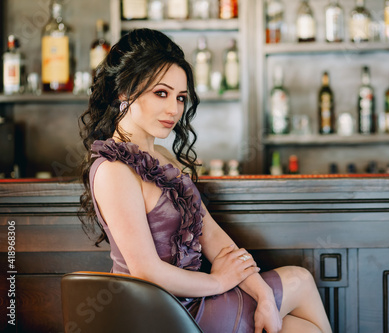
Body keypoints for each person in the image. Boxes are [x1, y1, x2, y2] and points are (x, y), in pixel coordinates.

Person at [79, 28, 331, 333]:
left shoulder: (163, 157)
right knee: (301, 282)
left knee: (300, 328)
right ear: (124, 91)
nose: (174, 109)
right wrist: (219, 281)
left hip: (193, 299)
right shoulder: (113, 170)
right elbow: (147, 271)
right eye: (161, 93)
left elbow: (213, 237)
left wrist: (263, 294)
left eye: (180, 97)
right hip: (159, 313)